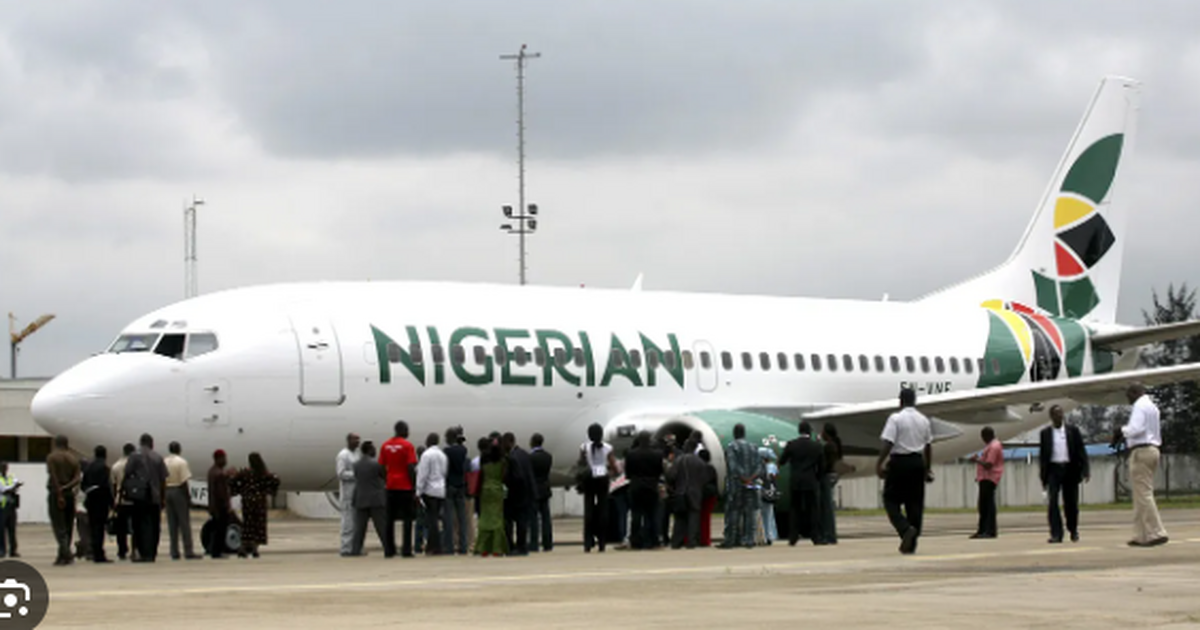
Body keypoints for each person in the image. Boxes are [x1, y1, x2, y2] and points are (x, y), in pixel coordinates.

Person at [876, 387, 933, 555]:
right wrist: (927, 468)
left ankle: (905, 529)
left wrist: (879, 463)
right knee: (915, 504)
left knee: (890, 500)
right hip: (917, 462)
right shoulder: (923, 420)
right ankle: (911, 544)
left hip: (899, 462)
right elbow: (928, 446)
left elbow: (888, 442)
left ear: (900, 400)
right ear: (914, 401)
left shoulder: (895, 418)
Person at [1115, 383, 1168, 547]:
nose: (1128, 399)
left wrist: (1121, 431)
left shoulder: (1140, 406)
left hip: (1142, 451)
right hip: (1153, 450)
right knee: (1140, 494)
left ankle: (1156, 532)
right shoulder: (1152, 407)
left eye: (1129, 395)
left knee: (1143, 494)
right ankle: (1141, 535)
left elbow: (1136, 428)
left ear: (1135, 393)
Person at [1037, 406, 1089, 543]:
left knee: (1071, 502)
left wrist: (1085, 469)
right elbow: (1043, 456)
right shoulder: (1045, 433)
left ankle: (1073, 530)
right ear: (1051, 417)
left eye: (1060, 414)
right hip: (1053, 470)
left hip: (1070, 469)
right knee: (1053, 502)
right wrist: (1043, 476)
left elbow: (1081, 451)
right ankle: (1056, 533)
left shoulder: (1073, 431)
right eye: (1055, 415)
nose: (1059, 417)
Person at [779, 422, 824, 546]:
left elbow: (782, 461)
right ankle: (815, 536)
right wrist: (817, 478)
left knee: (795, 509)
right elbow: (821, 466)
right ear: (809, 431)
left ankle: (793, 537)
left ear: (799, 431)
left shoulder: (792, 445)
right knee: (813, 509)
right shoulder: (816, 446)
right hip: (810, 480)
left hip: (796, 480)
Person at [125, 433, 168, 563]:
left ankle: (141, 552)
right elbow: (163, 479)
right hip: (154, 497)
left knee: (138, 525)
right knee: (154, 526)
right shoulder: (158, 457)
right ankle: (151, 553)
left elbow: (127, 473)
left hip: (139, 496)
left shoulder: (134, 456)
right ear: (151, 443)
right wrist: (162, 497)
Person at [379, 420, 419, 558]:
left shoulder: (385, 445)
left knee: (389, 519)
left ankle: (389, 550)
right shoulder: (408, 446)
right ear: (402, 431)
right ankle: (406, 550)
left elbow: (381, 466)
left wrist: (387, 479)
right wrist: (413, 485)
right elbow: (410, 467)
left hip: (390, 486)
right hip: (405, 487)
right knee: (407, 520)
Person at [720, 424, 762, 549]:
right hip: (751, 485)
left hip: (736, 485)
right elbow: (759, 466)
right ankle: (749, 539)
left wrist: (743, 478)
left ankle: (731, 539)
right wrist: (751, 478)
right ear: (744, 433)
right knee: (750, 513)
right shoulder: (753, 447)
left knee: (733, 513)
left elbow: (733, 466)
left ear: (734, 433)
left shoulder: (732, 447)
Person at [579, 423, 617, 553]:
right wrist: (611, 473)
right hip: (603, 478)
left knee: (588, 510)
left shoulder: (584, 447)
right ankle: (602, 542)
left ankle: (587, 542)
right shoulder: (608, 448)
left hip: (589, 477)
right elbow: (614, 466)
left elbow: (581, 463)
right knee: (603, 510)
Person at [350, 441, 391, 557]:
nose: (375, 451)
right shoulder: (376, 464)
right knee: (382, 526)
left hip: (360, 498)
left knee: (359, 528)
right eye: (373, 449)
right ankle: (388, 549)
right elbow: (384, 476)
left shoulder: (356, 465)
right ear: (369, 450)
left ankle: (355, 550)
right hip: (375, 499)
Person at [47, 434, 81, 565]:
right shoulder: (73, 458)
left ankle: (66, 552)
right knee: (68, 526)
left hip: (56, 494)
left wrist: (59, 492)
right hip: (69, 494)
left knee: (58, 525)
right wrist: (67, 487)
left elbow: (53, 475)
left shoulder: (52, 457)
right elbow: (77, 478)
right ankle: (62, 555)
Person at [625, 431, 664, 550]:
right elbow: (660, 471)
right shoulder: (657, 454)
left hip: (636, 486)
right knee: (652, 515)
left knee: (636, 515)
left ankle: (635, 541)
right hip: (651, 485)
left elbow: (628, 473)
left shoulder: (631, 454)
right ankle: (653, 540)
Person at [164, 441, 201, 560]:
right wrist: (188, 497)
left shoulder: (164, 461)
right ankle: (188, 550)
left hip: (167, 490)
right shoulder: (181, 462)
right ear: (179, 450)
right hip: (178, 490)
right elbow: (184, 481)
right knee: (184, 523)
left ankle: (174, 551)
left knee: (172, 524)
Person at [502, 432, 537, 556]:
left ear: (510, 442)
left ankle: (517, 546)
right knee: (522, 522)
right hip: (526, 493)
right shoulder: (524, 454)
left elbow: (518, 477)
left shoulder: (512, 457)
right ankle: (522, 546)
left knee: (513, 522)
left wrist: (505, 480)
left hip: (517, 495)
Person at [666, 446, 706, 549]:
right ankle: (691, 541)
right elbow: (705, 478)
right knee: (693, 517)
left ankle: (676, 542)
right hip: (695, 492)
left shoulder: (678, 461)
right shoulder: (700, 462)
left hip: (680, 491)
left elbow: (671, 476)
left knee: (680, 518)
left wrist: (673, 486)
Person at [968, 426, 1005, 540]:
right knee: (984, 505)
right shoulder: (992, 445)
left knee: (986, 505)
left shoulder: (994, 446)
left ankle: (988, 530)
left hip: (990, 478)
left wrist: (977, 460)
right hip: (985, 477)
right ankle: (984, 529)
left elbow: (989, 464)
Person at [475, 436, 509, 557]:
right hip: (497, 490)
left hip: (485, 490)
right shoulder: (502, 461)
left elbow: (481, 476)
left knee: (485, 518)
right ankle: (497, 548)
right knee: (497, 519)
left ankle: (483, 547)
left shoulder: (484, 459)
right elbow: (504, 477)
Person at [416, 432, 448, 556]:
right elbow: (444, 472)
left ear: (428, 441)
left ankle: (435, 547)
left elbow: (422, 474)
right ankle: (432, 546)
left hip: (430, 491)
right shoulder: (442, 455)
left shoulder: (426, 455)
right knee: (435, 519)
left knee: (431, 520)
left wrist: (418, 491)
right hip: (440, 490)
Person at [81, 445, 114, 563]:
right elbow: (107, 486)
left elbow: (83, 485)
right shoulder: (105, 468)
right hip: (101, 501)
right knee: (100, 528)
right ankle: (99, 553)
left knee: (92, 526)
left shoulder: (89, 467)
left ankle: (93, 551)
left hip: (91, 500)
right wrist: (112, 503)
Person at [818, 423, 848, 545]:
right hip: (833, 475)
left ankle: (829, 535)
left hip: (827, 476)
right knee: (827, 506)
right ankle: (829, 534)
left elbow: (826, 464)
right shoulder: (836, 445)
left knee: (826, 507)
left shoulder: (829, 447)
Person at [443, 427, 469, 556]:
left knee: (448, 517)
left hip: (450, 485)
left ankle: (449, 546)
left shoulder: (446, 451)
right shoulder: (463, 450)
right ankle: (463, 546)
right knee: (462, 518)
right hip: (461, 485)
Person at [336, 432, 362, 557]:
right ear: (348, 440)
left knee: (357, 522)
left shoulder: (357, 454)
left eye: (358, 439)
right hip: (347, 493)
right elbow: (341, 473)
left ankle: (355, 547)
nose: (357, 442)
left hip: (357, 492)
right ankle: (346, 548)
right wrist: (356, 475)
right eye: (355, 439)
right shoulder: (343, 455)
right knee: (348, 522)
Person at [109, 443, 136, 561]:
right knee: (136, 526)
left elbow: (113, 485)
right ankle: (135, 549)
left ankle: (122, 550)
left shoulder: (116, 466)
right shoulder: (136, 465)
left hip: (120, 500)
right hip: (134, 499)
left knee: (121, 528)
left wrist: (114, 500)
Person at [528, 433, 554, 552]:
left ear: (533, 443)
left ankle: (534, 543)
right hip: (545, 488)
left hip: (534, 490)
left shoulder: (530, 458)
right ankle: (547, 543)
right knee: (546, 518)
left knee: (533, 519)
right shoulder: (548, 456)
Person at [206, 450, 232, 559]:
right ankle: (217, 552)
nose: (226, 461)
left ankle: (213, 550)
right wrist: (227, 505)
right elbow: (221, 492)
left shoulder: (213, 471)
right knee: (220, 530)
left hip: (214, 505)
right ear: (218, 459)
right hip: (220, 506)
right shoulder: (218, 473)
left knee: (217, 529)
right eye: (224, 458)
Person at [0, 463, 22, 558]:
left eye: (6, 467)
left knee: (12, 529)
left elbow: (15, 483)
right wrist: (12, 488)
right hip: (2, 506)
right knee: (1, 529)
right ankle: (2, 550)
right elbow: (3, 490)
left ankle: (13, 550)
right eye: (3, 468)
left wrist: (14, 487)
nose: (5, 469)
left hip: (11, 506)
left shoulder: (10, 477)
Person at [698, 449, 719, 547]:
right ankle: (706, 539)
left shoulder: (699, 468)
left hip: (701, 495)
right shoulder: (711, 468)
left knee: (699, 518)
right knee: (706, 518)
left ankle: (700, 538)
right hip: (711, 495)